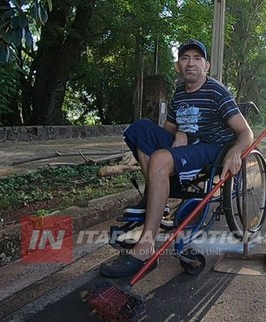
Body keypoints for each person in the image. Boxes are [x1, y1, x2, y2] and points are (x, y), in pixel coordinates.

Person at [99, 39, 254, 278]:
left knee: (160, 159)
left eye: (197, 59)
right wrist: (180, 133)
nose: (191, 63)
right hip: (187, 147)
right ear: (178, 67)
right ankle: (156, 197)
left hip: (211, 149)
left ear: (207, 66)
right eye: (185, 58)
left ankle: (146, 248)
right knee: (140, 129)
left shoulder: (216, 92)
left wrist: (236, 150)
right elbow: (167, 131)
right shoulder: (179, 93)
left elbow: (246, 132)